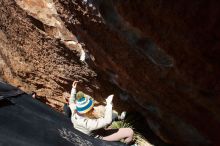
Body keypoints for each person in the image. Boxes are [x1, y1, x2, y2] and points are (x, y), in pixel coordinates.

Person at [68, 80, 134, 144]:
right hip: (100, 136)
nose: (93, 108)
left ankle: (119, 118)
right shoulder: (87, 124)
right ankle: (127, 144)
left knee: (111, 115)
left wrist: (73, 89)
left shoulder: (75, 111)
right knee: (129, 132)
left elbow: (71, 103)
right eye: (91, 108)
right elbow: (107, 120)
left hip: (95, 130)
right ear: (86, 112)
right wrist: (109, 104)